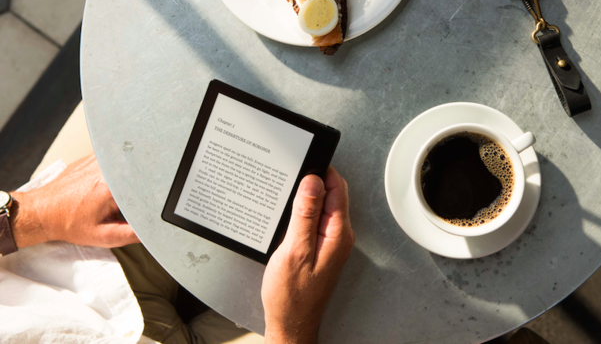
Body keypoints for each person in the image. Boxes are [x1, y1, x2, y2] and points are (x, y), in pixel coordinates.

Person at [0, 103, 354, 344]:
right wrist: (291, 330)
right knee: (355, 297)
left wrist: (32, 214)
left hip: (48, 262)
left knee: (205, 112)